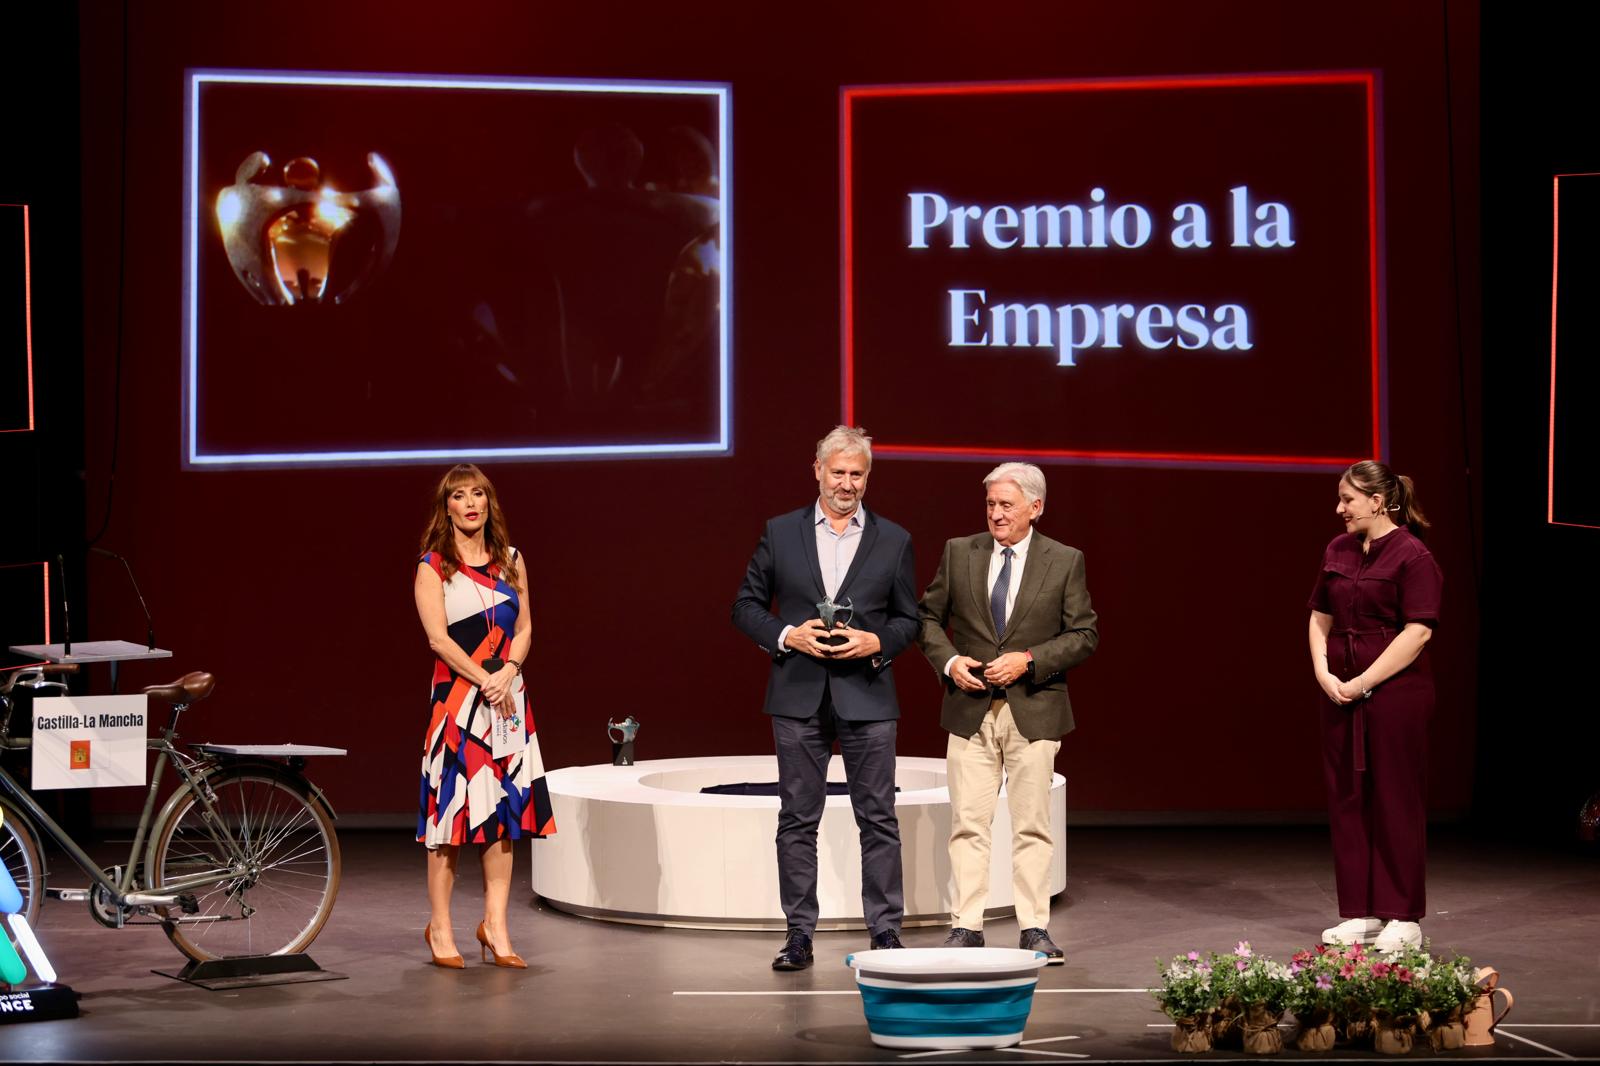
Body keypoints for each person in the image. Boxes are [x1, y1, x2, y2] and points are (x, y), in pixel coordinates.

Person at [731, 426, 919, 970]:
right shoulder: (781, 531)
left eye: (857, 474)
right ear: (817, 471)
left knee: (878, 818)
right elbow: (745, 606)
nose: (846, 483)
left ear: (868, 477)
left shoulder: (894, 539)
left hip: (869, 696)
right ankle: (798, 935)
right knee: (797, 818)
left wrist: (878, 642)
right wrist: (788, 635)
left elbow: (910, 619)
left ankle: (885, 933)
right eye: (838, 472)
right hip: (798, 695)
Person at [916, 462, 1098, 963]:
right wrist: (950, 662)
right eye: (991, 504)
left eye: (1006, 505)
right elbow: (927, 618)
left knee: (1032, 825)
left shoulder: (1064, 560)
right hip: (970, 710)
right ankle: (966, 926)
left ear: (1035, 508)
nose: (996, 514)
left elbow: (1084, 634)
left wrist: (1029, 660)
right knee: (968, 823)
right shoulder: (960, 552)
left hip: (1034, 711)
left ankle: (1034, 928)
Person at [414, 464, 554, 968]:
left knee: (501, 815)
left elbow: (526, 628)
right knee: (451, 816)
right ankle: (440, 927)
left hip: (507, 702)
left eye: (478, 494)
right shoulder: (433, 565)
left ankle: (495, 926)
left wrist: (509, 671)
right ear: (446, 507)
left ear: (489, 503)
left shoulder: (512, 560)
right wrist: (484, 678)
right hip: (458, 703)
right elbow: (438, 640)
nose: (470, 503)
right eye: (459, 495)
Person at [1308, 460, 1441, 953]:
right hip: (1340, 693)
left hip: (1395, 696)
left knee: (1395, 799)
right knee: (1348, 797)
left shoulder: (1413, 555)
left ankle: (1403, 915)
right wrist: (1324, 673)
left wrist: (1363, 681)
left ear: (1378, 502)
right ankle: (1362, 912)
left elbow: (1418, 632)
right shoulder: (1338, 549)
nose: (1339, 508)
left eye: (1348, 499)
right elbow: (1319, 616)